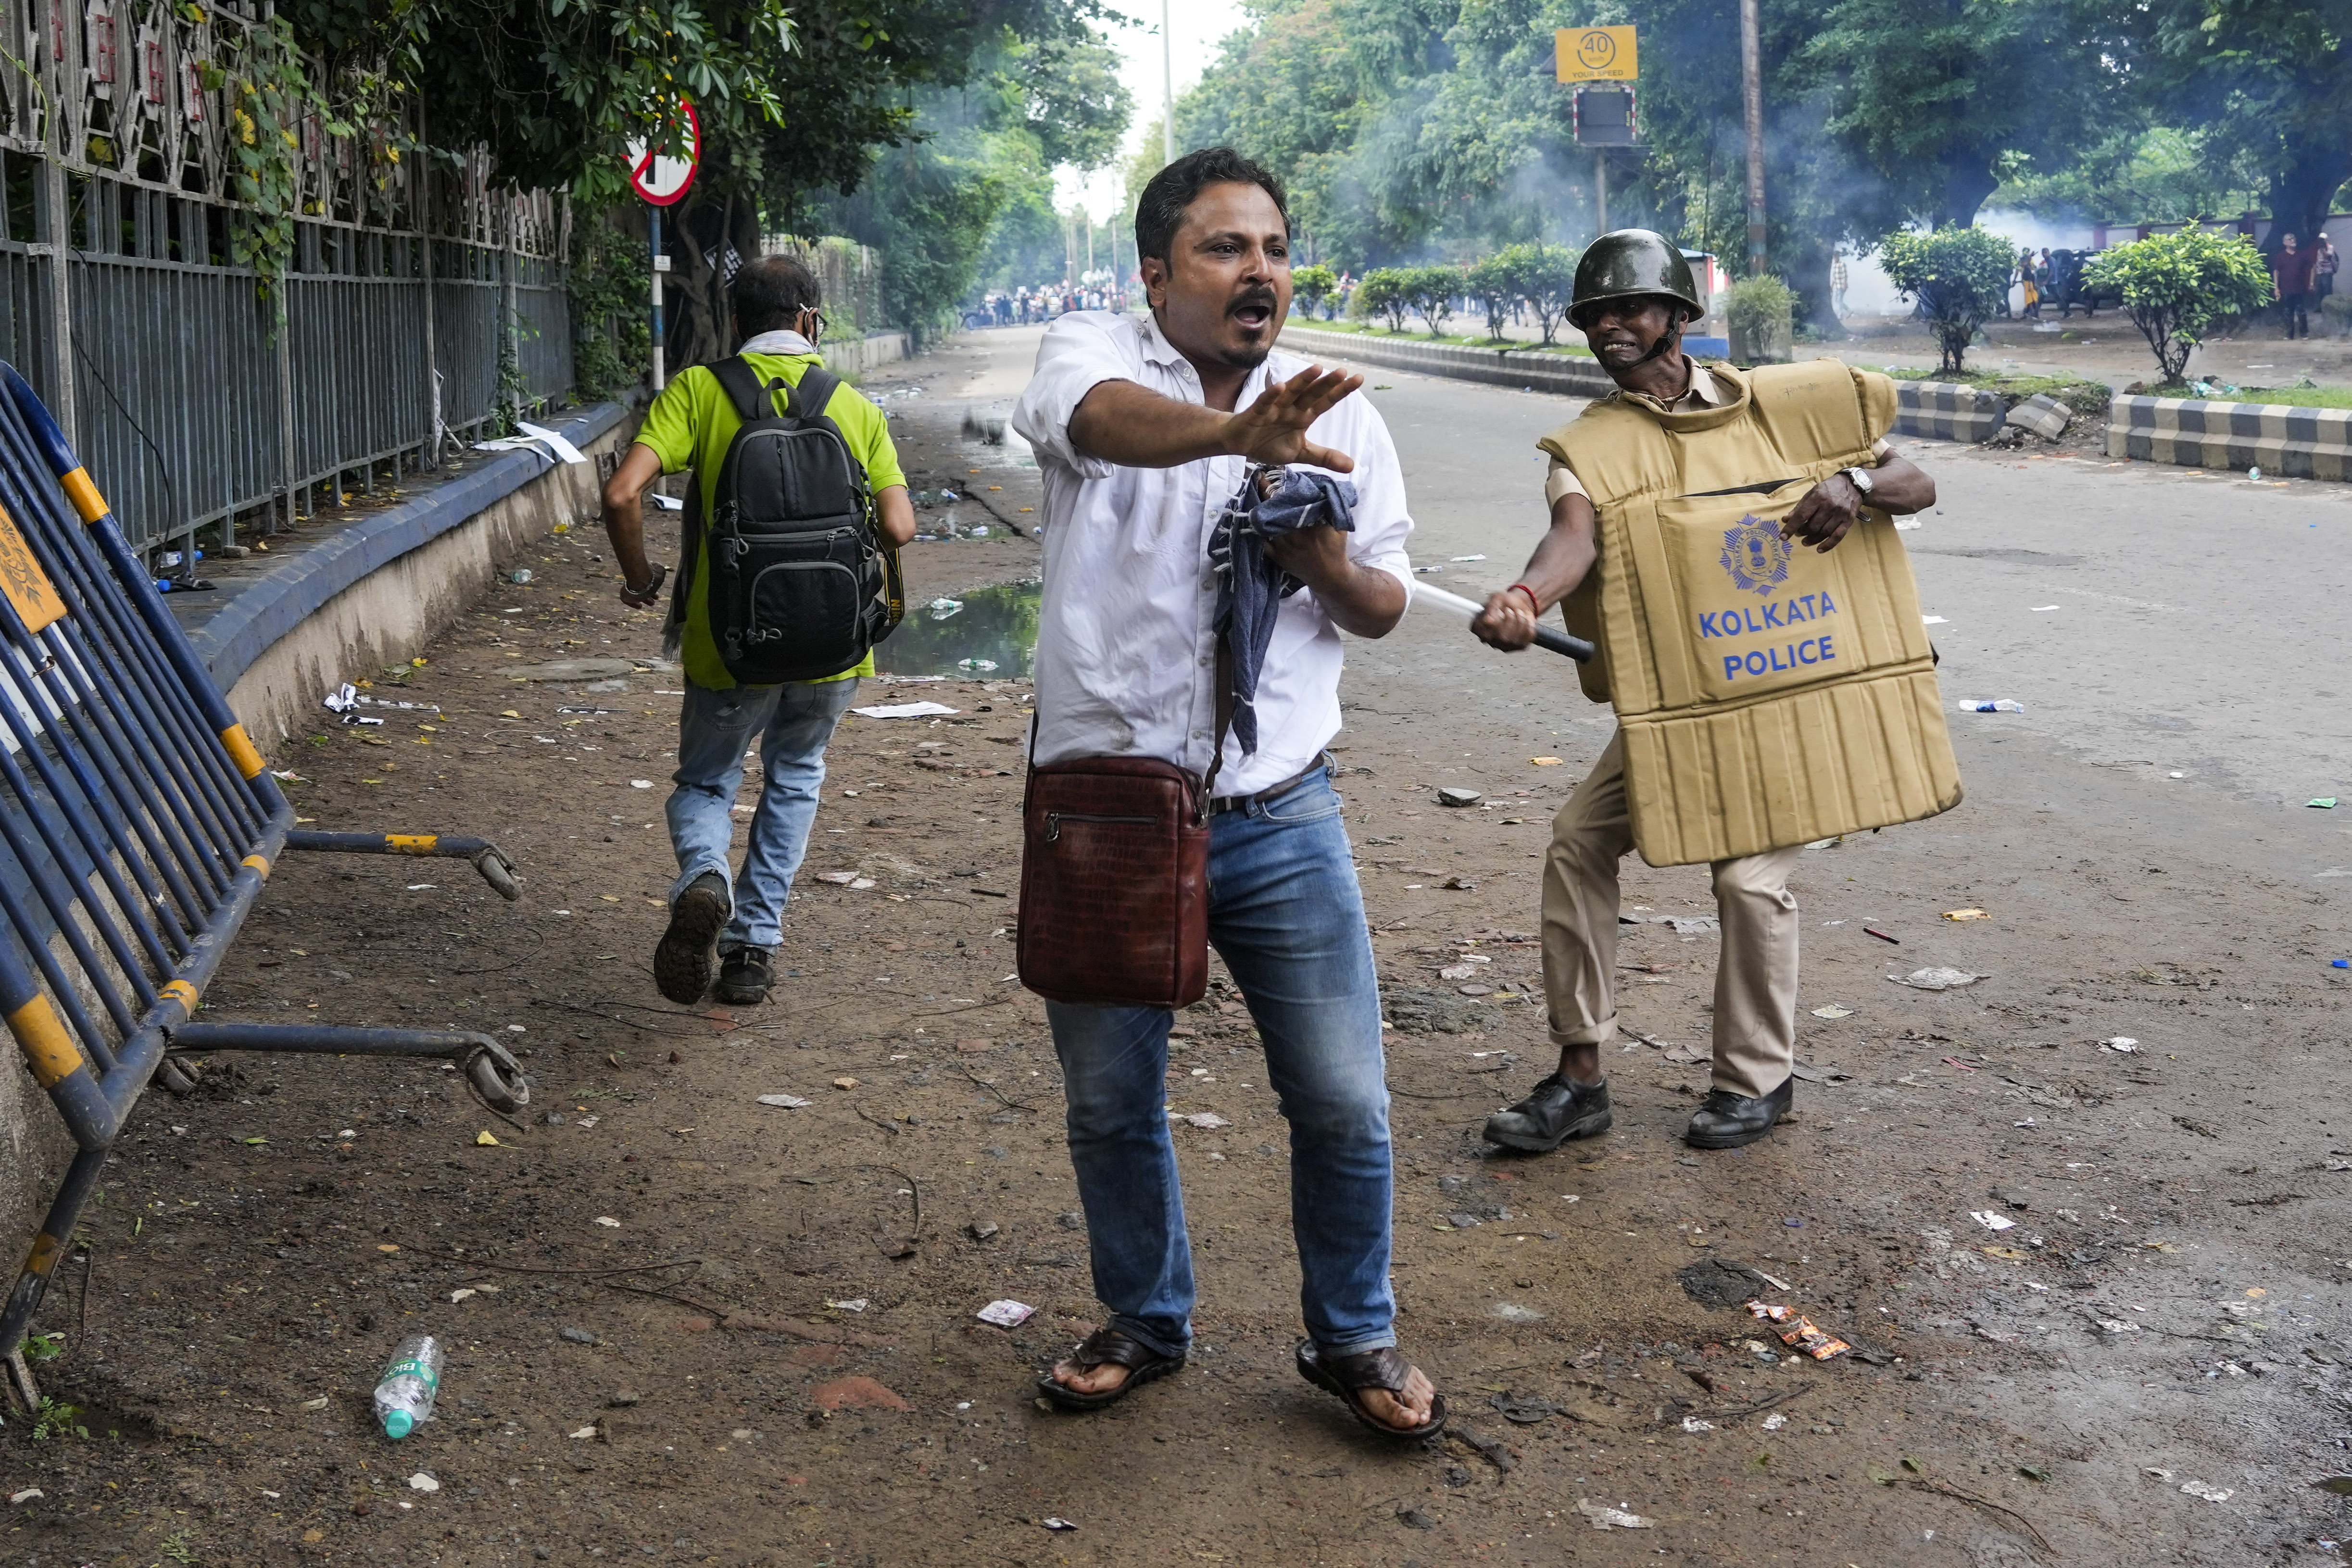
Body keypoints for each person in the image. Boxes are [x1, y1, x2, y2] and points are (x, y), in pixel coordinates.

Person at [1011, 146, 1444, 1440]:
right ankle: (1145, 1317)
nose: (1257, 272)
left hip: (1280, 810)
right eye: (1222, 248)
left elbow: (1380, 602)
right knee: (1108, 1098)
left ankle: (1353, 1335)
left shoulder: (1343, 413)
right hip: (1108, 812)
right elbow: (1089, 423)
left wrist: (1316, 551)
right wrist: (1235, 437)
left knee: (1344, 1099)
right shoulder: (1091, 354)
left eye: (1271, 248)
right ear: (1156, 272)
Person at [1468, 230, 1940, 1155]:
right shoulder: (1590, 449)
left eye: (1630, 308)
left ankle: (1757, 1081)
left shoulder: (1785, 411)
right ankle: (1581, 1076)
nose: (1610, 326)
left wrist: (1854, 483)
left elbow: (1915, 480)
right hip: (1684, 702)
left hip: (1793, 691)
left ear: (1679, 318)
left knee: (1749, 877)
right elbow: (1574, 537)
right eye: (1594, 315)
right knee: (1577, 841)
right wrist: (1526, 597)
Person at [599, 255, 917, 1007]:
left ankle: (706, 878)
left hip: (727, 641)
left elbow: (621, 494)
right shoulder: (853, 406)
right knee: (795, 777)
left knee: (707, 781)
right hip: (834, 645)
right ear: (810, 320)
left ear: (736, 320)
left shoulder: (698, 392)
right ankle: (750, 952)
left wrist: (641, 580)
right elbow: (900, 527)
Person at [2274, 233, 2317, 339]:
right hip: (2286, 289)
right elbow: (2276, 271)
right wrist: (2276, 288)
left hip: (2299, 288)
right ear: (2285, 243)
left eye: (2294, 238)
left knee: (2301, 311)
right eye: (2290, 239)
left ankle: (2304, 333)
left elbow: (2313, 268)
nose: (2293, 240)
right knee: (2288, 312)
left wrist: (2311, 283)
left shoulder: (2301, 255)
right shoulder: (2281, 256)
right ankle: (2289, 335)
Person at [2017, 247, 2041, 321]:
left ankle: (2034, 314)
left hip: (2029, 284)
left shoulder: (2027, 268)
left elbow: (2030, 277)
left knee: (2031, 300)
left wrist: (2031, 286)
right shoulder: (2026, 268)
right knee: (2029, 300)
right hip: (2027, 284)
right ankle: (2027, 313)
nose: (2021, 264)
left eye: (2022, 262)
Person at [1829, 250, 1849, 320]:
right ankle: (1849, 311)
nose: (1835, 257)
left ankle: (1841, 315)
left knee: (1840, 300)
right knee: (1836, 300)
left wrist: (1845, 284)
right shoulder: (1834, 265)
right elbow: (1834, 277)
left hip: (1842, 285)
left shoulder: (1842, 264)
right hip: (1837, 286)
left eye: (1836, 256)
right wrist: (1832, 285)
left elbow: (1845, 275)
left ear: (1838, 256)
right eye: (1834, 256)